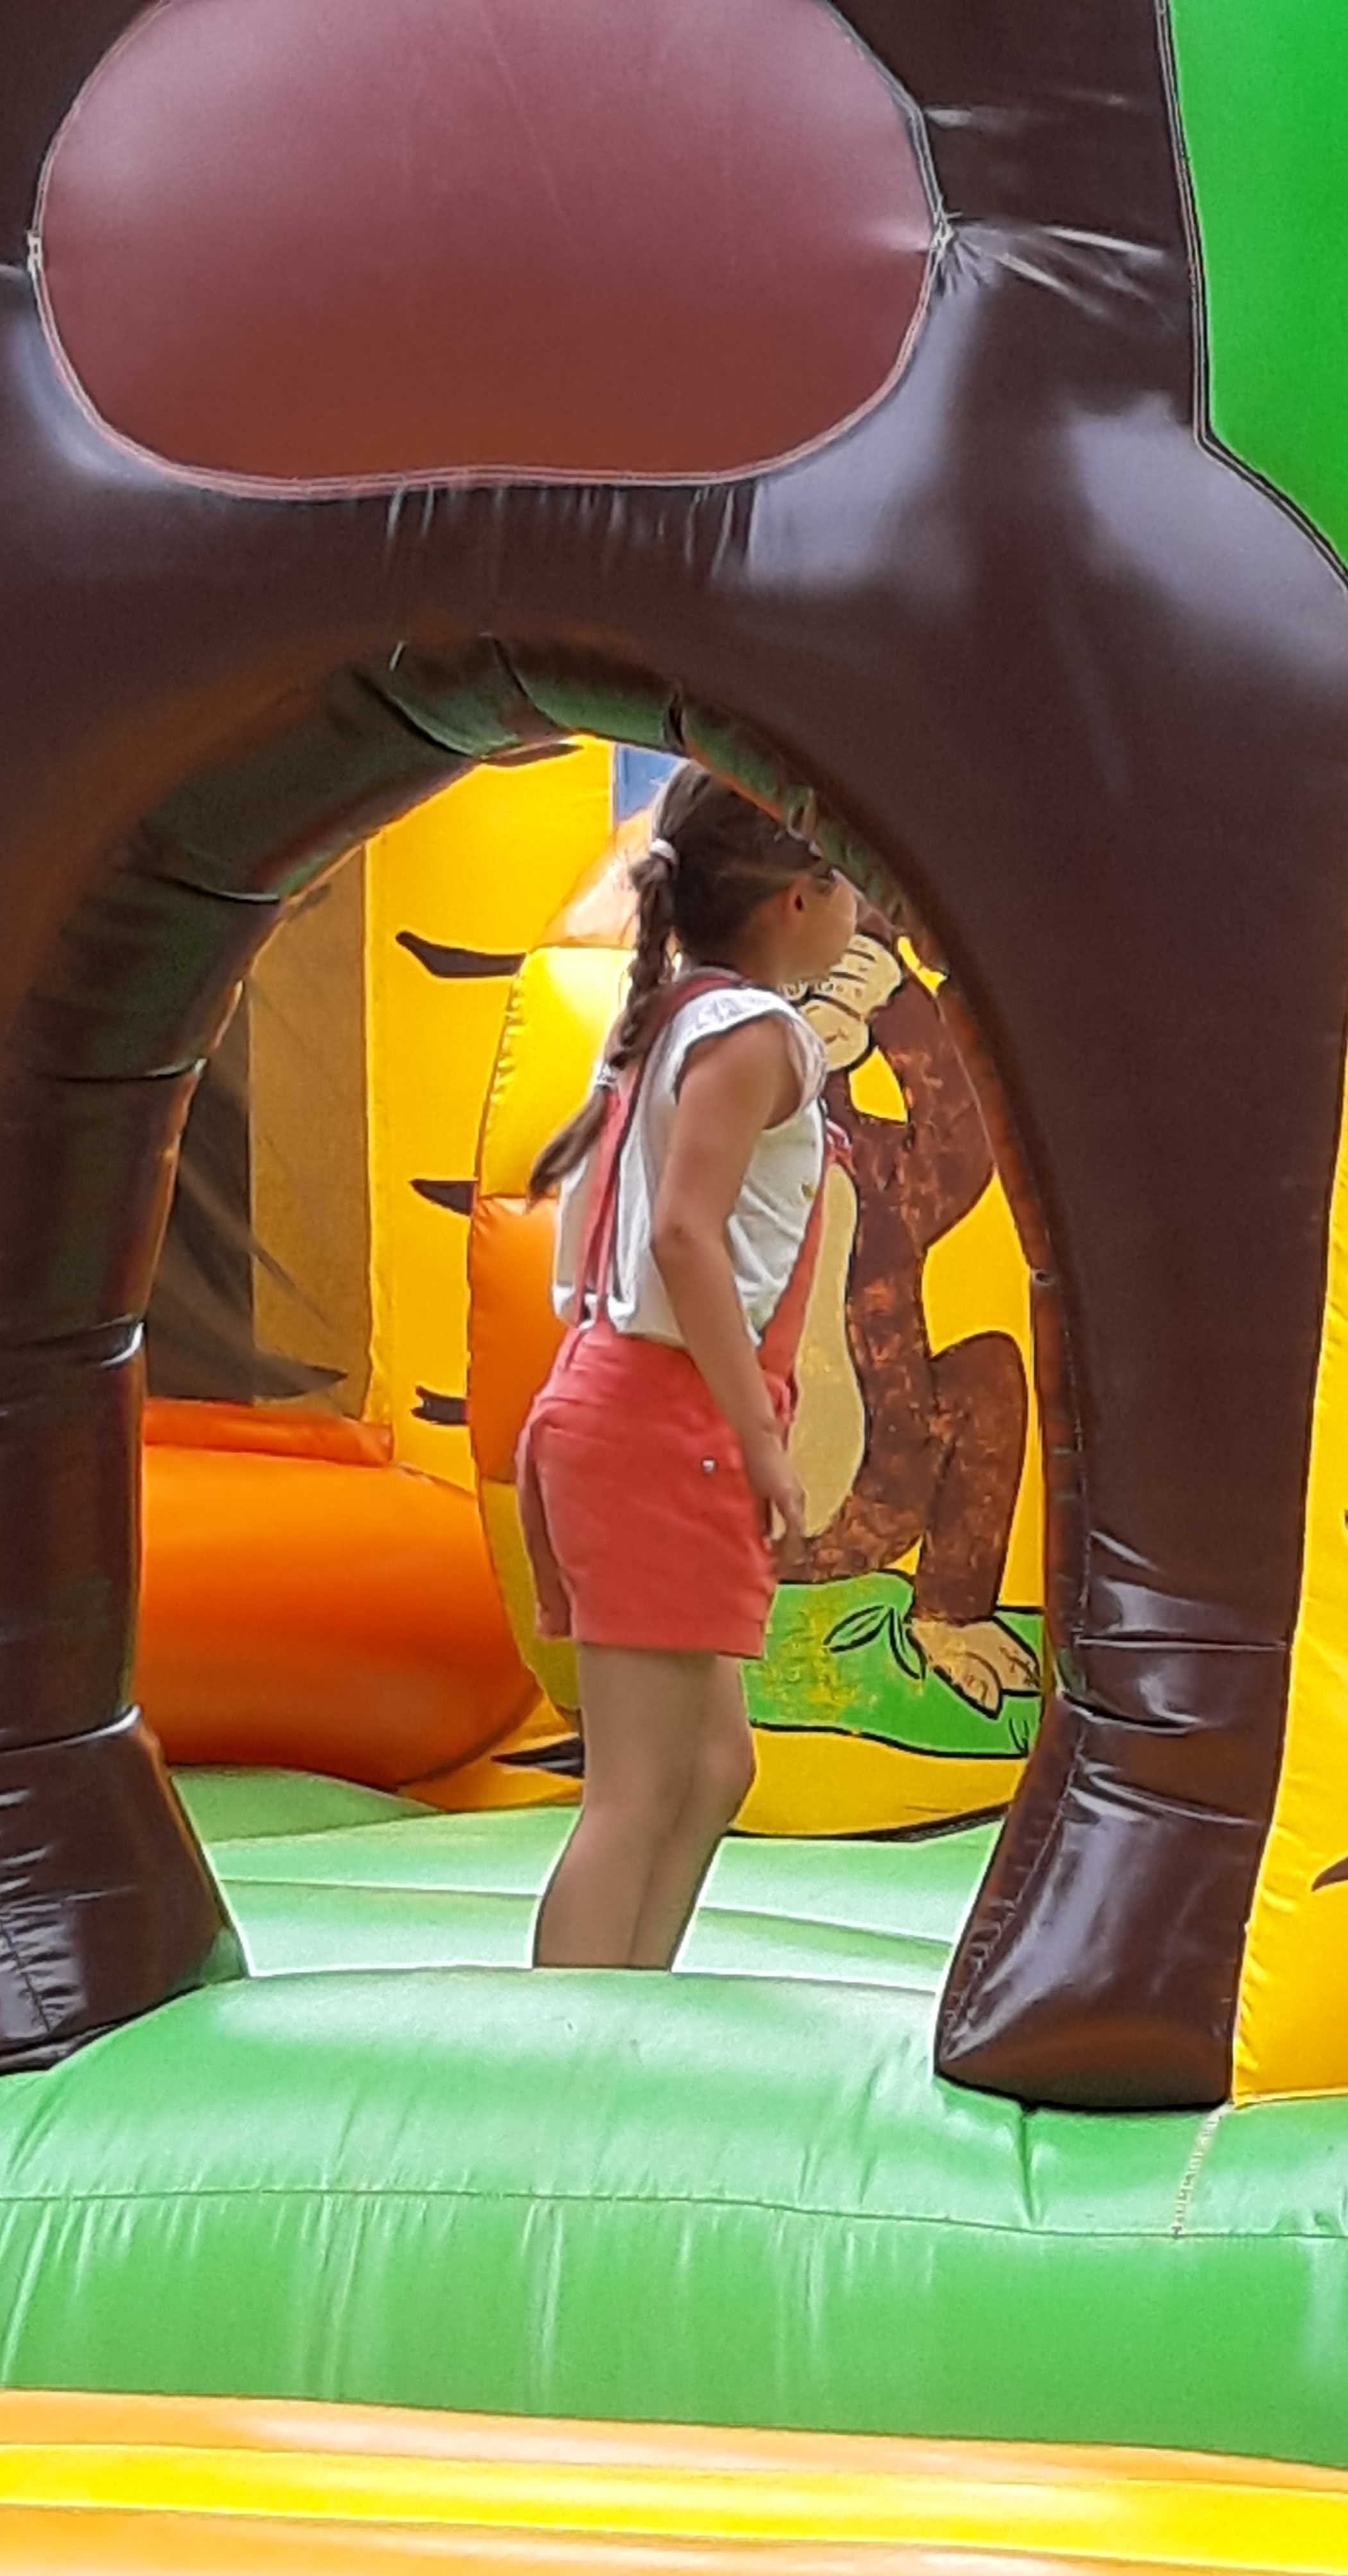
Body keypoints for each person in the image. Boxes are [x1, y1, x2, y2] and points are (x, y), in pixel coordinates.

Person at [516, 764, 859, 1969]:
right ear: (796, 900)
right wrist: (757, 1434)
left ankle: (629, 2005)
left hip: (626, 1413)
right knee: (636, 1784)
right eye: (844, 881)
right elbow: (682, 1232)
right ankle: (566, 2033)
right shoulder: (752, 1034)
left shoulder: (676, 1017)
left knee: (714, 1763)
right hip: (657, 1424)